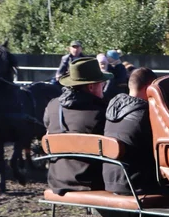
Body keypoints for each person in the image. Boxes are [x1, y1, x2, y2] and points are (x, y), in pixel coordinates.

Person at [43, 57, 108, 193]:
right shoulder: (101, 112)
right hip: (92, 183)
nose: (104, 87)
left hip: (57, 181)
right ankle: (93, 216)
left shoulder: (53, 105)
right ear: (91, 86)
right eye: (102, 83)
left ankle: (88, 215)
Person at [104, 67, 157, 195]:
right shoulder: (146, 114)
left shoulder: (113, 108)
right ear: (149, 88)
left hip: (110, 181)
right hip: (137, 185)